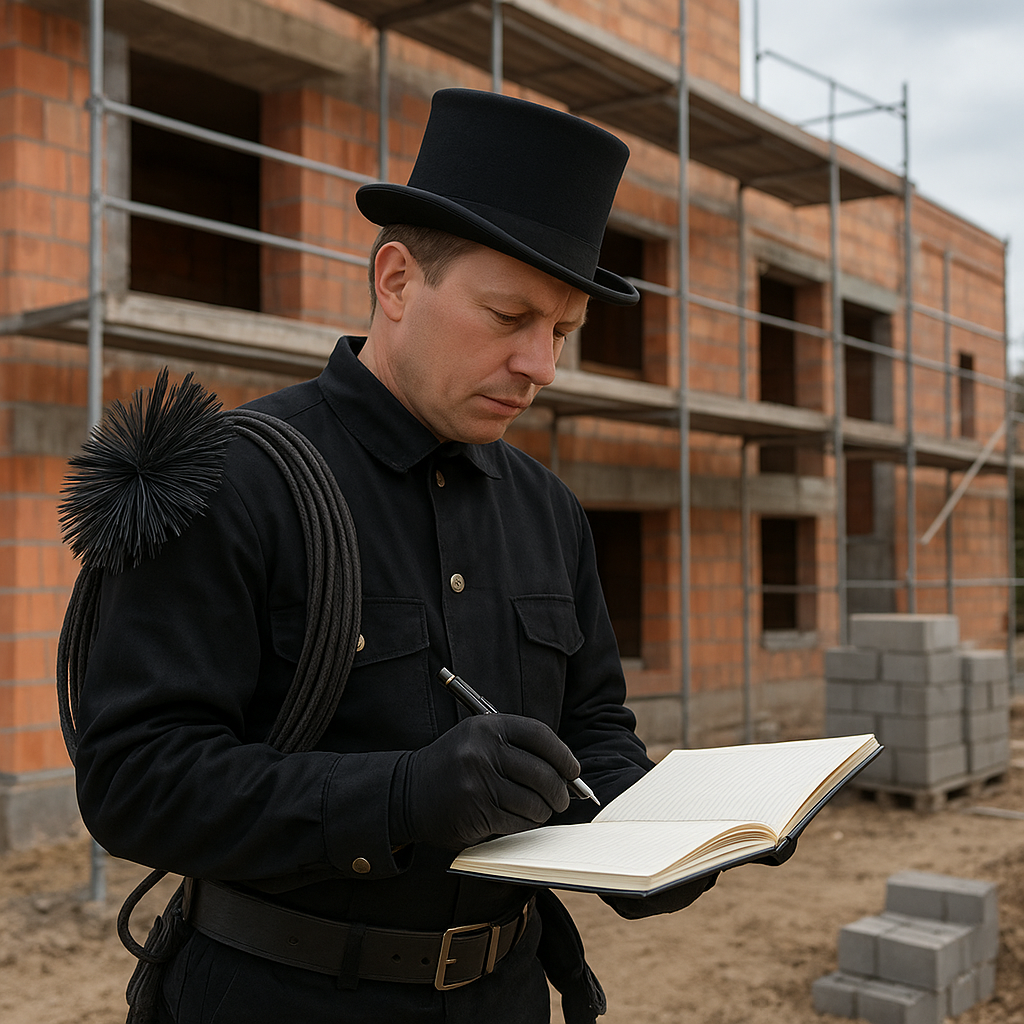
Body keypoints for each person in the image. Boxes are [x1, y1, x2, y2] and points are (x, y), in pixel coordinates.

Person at [72, 88, 719, 1024]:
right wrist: (401, 798)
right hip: (273, 1000)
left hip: (505, 994)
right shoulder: (231, 482)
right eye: (509, 316)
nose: (542, 363)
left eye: (564, 332)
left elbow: (595, 729)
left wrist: (656, 844)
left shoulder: (551, 512)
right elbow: (133, 783)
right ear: (397, 280)